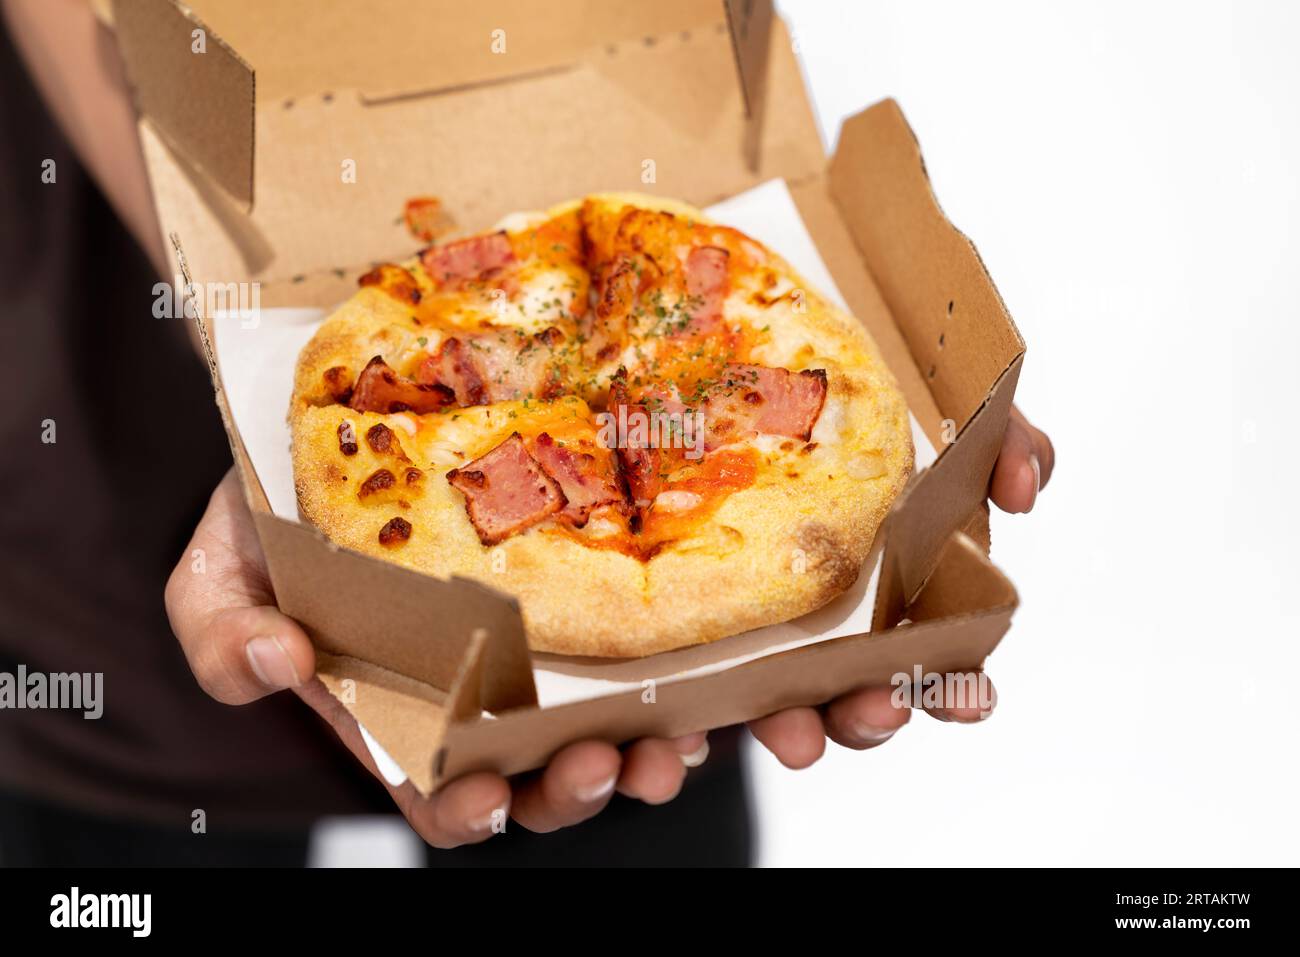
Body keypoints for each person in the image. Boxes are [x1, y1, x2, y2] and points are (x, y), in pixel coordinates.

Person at [0, 0, 1055, 866]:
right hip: (119, 422)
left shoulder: (708, 331)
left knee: (629, 790)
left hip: (656, 709)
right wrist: (227, 265)